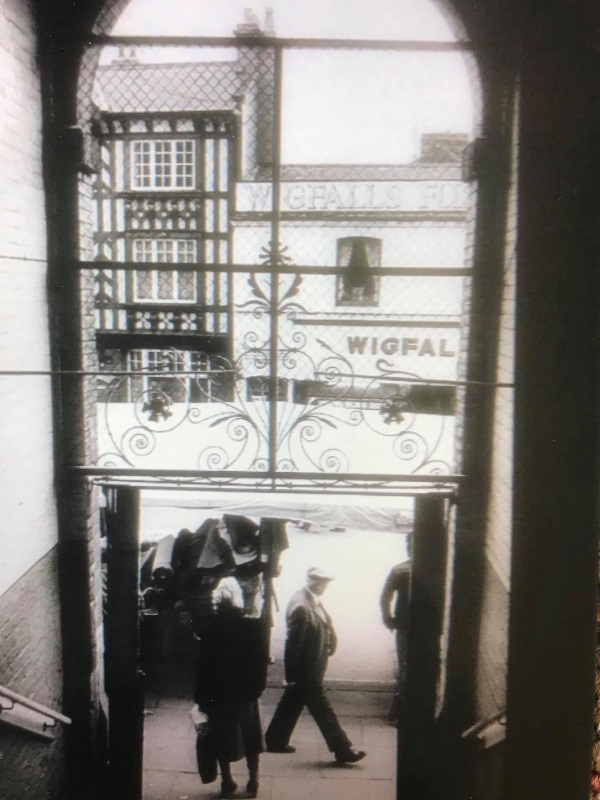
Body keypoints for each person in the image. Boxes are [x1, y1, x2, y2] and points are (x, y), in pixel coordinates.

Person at [265, 567, 367, 764]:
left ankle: (275, 740)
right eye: (324, 584)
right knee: (323, 709)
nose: (325, 588)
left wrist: (332, 639)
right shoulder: (301, 608)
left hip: (312, 666)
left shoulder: (309, 598)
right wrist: (292, 676)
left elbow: (325, 620)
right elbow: (293, 646)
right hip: (307, 670)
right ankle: (343, 749)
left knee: (292, 703)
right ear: (316, 583)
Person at [194, 577, 269, 799]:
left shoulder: (208, 631)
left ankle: (227, 780)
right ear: (238, 599)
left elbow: (202, 669)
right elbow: (260, 663)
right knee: (251, 738)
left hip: (219, 696)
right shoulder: (253, 628)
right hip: (247, 694)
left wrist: (201, 698)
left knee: (223, 738)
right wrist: (257, 689)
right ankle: (253, 780)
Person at [380, 533, 413, 723]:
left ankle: (397, 712)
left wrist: (389, 619)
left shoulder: (399, 570)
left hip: (404, 627)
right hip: (428, 629)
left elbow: (385, 597)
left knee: (405, 667)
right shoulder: (434, 569)